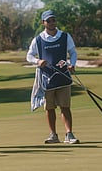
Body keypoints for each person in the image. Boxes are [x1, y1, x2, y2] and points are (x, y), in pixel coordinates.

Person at [26, 9, 80, 144]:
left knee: (65, 106)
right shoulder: (38, 39)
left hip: (63, 78)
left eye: (53, 20)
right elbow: (29, 56)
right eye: (48, 21)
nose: (51, 23)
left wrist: (72, 64)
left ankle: (69, 134)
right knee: (49, 108)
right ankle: (53, 135)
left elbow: (73, 52)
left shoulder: (64, 36)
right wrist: (38, 61)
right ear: (43, 22)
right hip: (47, 78)